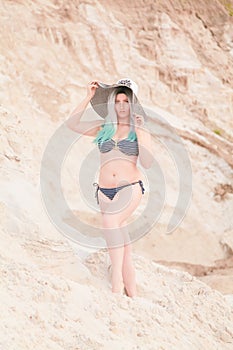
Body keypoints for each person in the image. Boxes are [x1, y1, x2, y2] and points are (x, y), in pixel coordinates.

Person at [66, 78, 153, 297]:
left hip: (130, 188)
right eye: (118, 100)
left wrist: (141, 132)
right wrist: (88, 96)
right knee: (123, 244)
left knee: (110, 223)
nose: (122, 105)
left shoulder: (140, 130)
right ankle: (132, 294)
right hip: (104, 191)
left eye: (126, 101)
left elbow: (148, 162)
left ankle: (116, 285)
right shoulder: (103, 128)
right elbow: (73, 123)